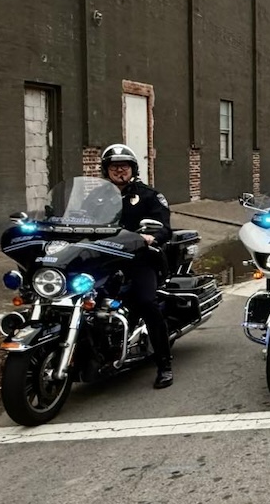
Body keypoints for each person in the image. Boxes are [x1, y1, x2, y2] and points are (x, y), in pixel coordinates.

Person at [100, 144, 175, 389]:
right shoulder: (97, 197)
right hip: (103, 260)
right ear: (106, 170)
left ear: (133, 169)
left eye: (124, 166)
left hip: (139, 260)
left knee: (146, 302)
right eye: (114, 166)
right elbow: (78, 216)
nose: (119, 171)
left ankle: (164, 365)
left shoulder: (148, 195)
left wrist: (152, 237)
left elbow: (165, 228)